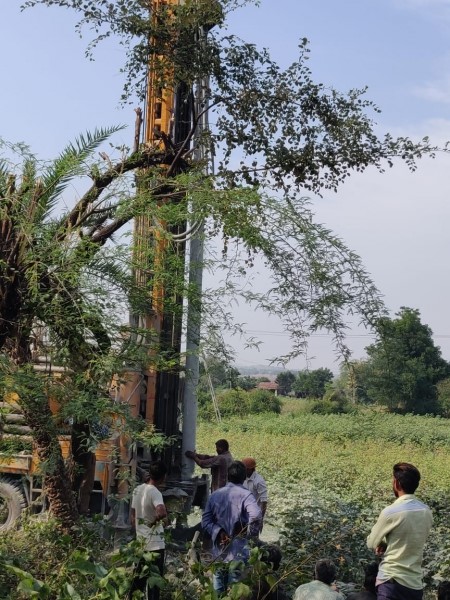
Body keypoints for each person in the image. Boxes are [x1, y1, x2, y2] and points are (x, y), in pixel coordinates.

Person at [367, 462, 433, 600]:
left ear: (396, 484)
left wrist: (384, 543)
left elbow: (372, 543)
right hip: (414, 584)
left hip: (391, 582)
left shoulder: (390, 512)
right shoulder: (426, 511)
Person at [201, 460, 262, 594]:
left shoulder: (215, 495)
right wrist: (248, 533)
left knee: (218, 589)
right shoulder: (246, 495)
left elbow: (205, 521)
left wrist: (219, 531)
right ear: (244, 477)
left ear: (228, 476)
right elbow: (256, 516)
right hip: (238, 552)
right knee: (235, 590)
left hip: (219, 551)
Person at [130, 461, 168, 600]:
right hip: (155, 545)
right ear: (163, 477)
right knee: (154, 582)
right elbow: (162, 512)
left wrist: (140, 530)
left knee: (138, 580)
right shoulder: (155, 492)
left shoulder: (137, 489)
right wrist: (158, 521)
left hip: (141, 543)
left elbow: (133, 517)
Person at [242, 457, 268, 527]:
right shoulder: (242, 478)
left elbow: (264, 501)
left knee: (252, 537)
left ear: (250, 469)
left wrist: (261, 519)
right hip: (243, 513)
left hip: (254, 516)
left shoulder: (259, 481)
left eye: (244, 469)